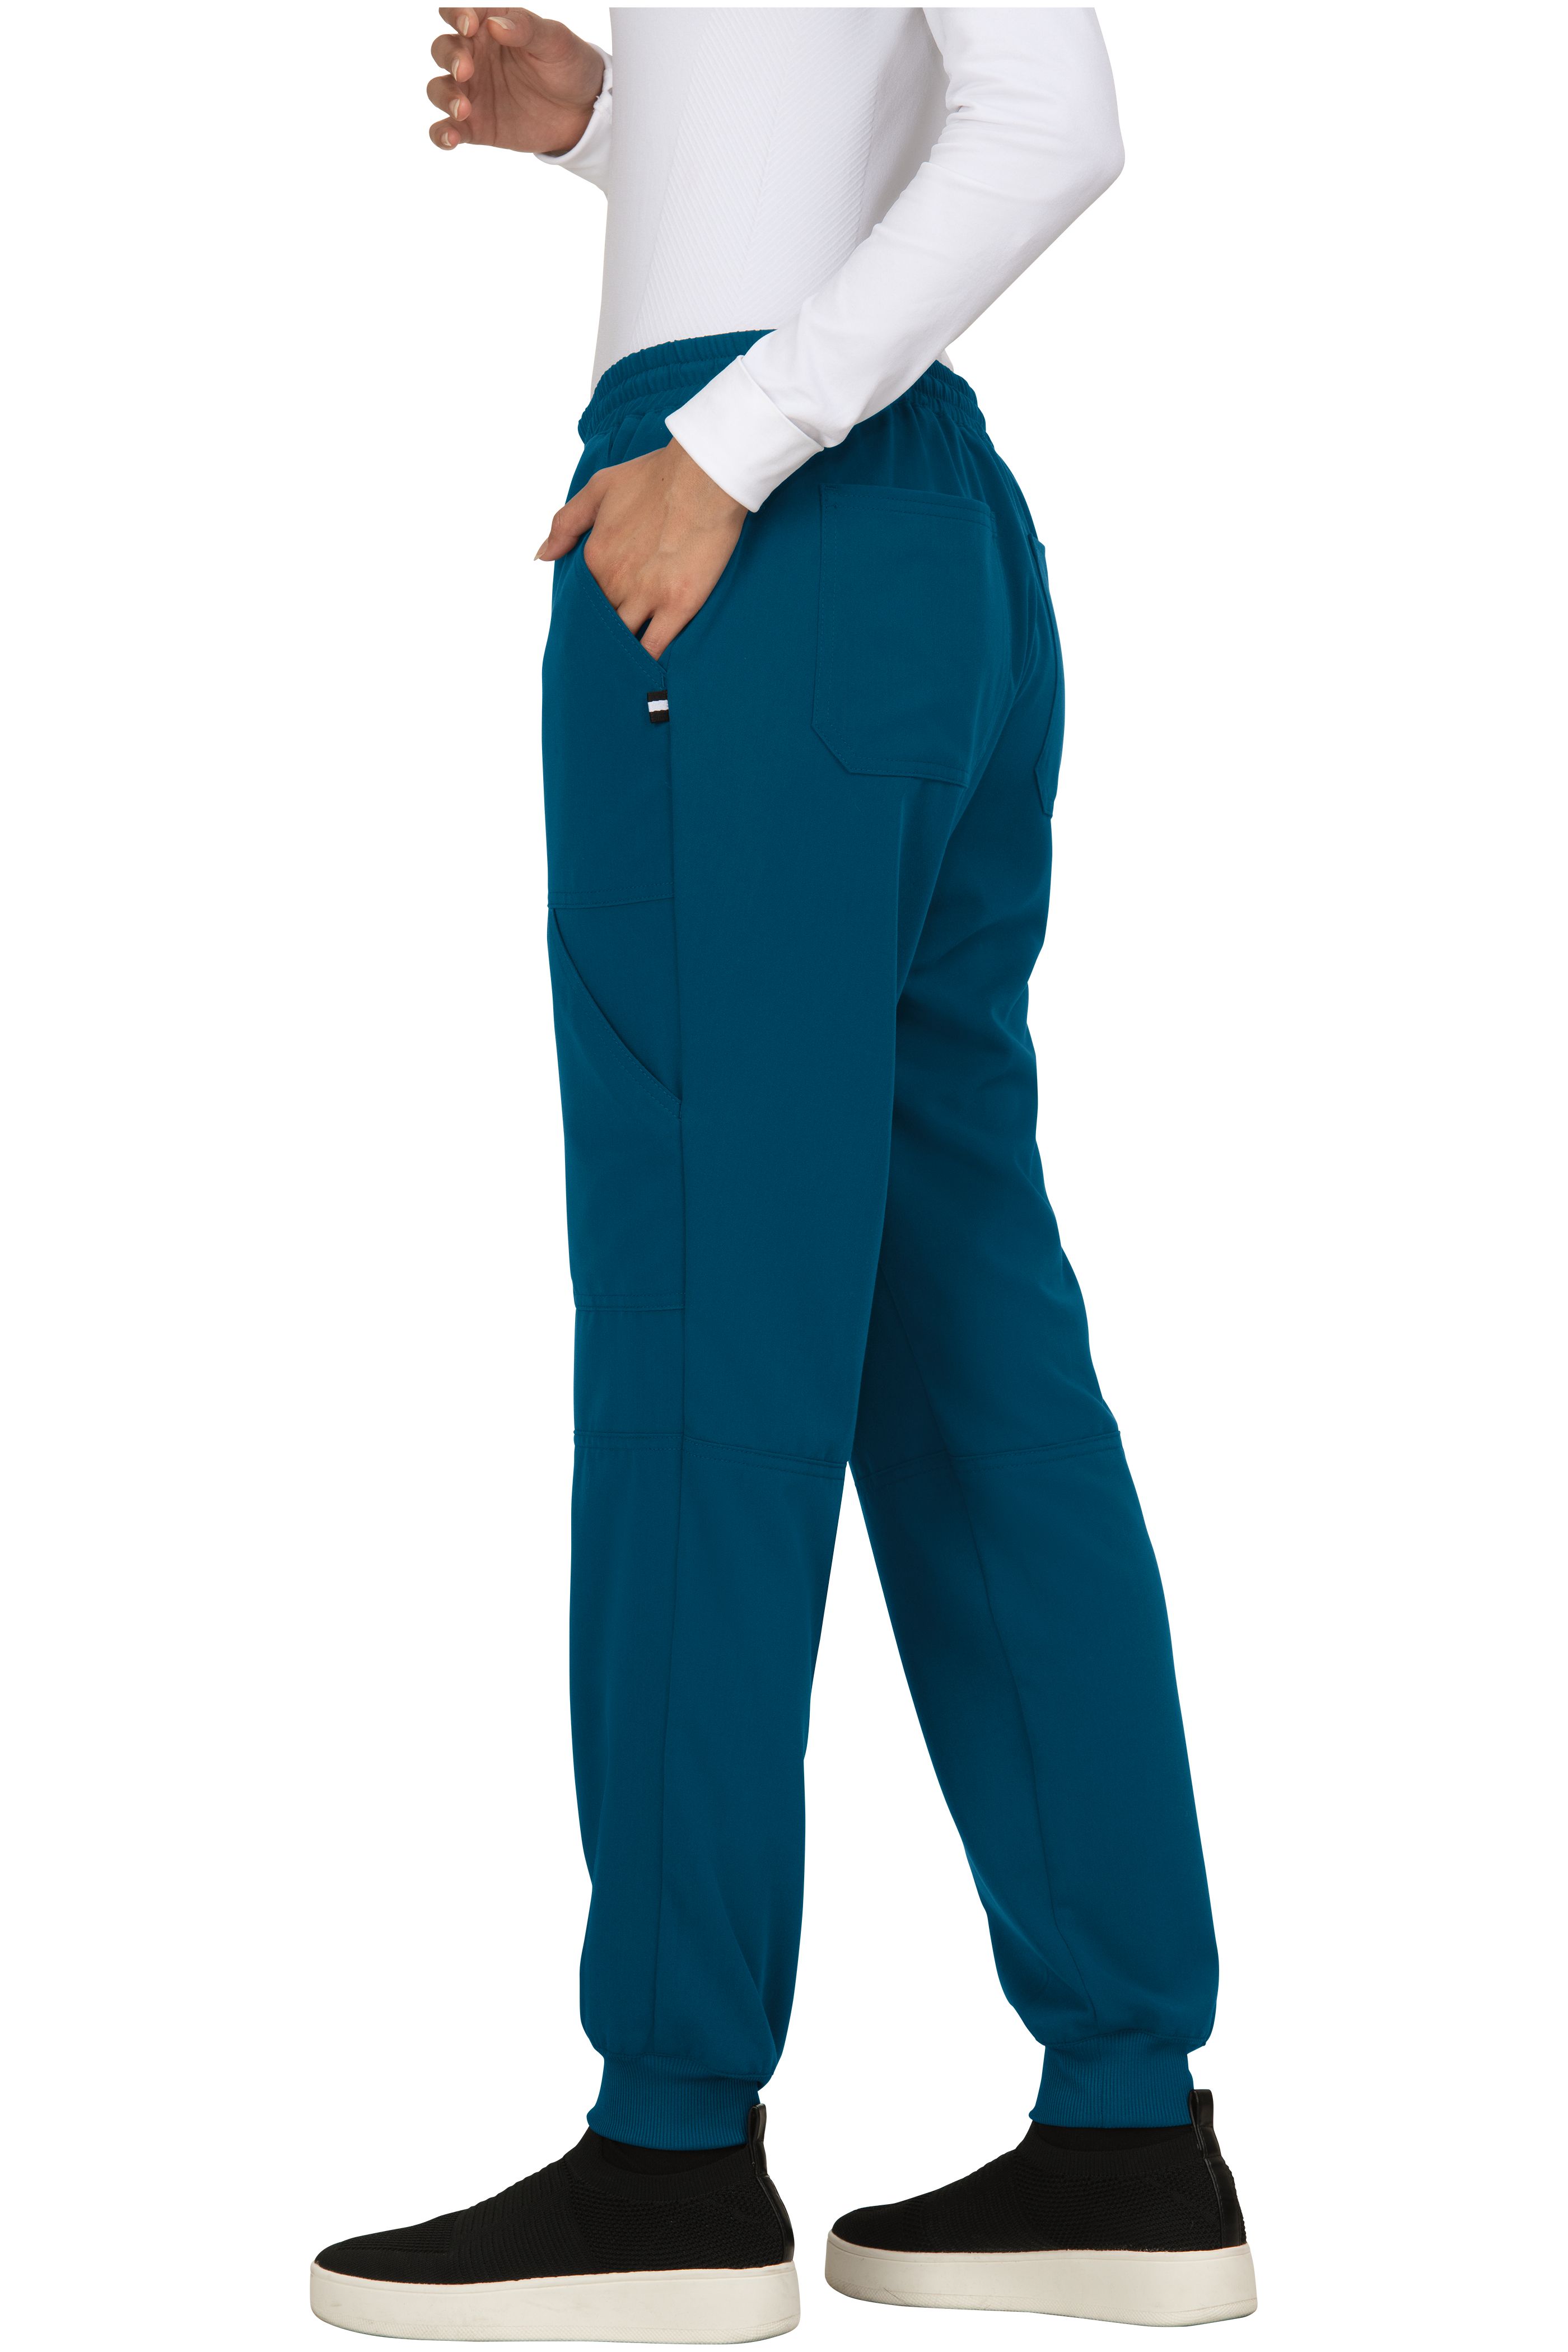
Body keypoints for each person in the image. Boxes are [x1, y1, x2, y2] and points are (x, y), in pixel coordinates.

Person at [310, 9, 1256, 2340]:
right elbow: (867, 120)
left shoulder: (736, 455)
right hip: (911, 527)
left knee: (700, 1344)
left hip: (754, 524)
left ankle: (670, 2151)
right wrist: (610, 129)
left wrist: (724, 447)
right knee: (959, 1357)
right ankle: (1125, 2125)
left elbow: (1054, 123)